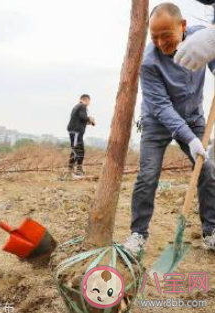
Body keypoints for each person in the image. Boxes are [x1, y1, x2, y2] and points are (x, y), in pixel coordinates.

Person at [123, 2, 215, 255]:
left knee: (207, 169)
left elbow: (212, 56)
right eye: (155, 37)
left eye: (167, 36)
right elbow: (162, 108)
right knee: (148, 175)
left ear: (183, 26)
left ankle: (211, 231)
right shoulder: (149, 62)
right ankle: (138, 234)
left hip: (194, 117)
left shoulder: (200, 39)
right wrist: (190, 138)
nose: (162, 43)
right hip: (157, 122)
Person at [66, 94, 95, 178]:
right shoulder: (82, 106)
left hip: (74, 132)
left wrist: (90, 122)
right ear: (87, 100)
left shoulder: (76, 107)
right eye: (89, 102)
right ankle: (78, 171)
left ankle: (71, 170)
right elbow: (83, 117)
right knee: (78, 150)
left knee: (76, 149)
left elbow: (81, 119)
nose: (89, 104)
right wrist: (90, 119)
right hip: (76, 133)